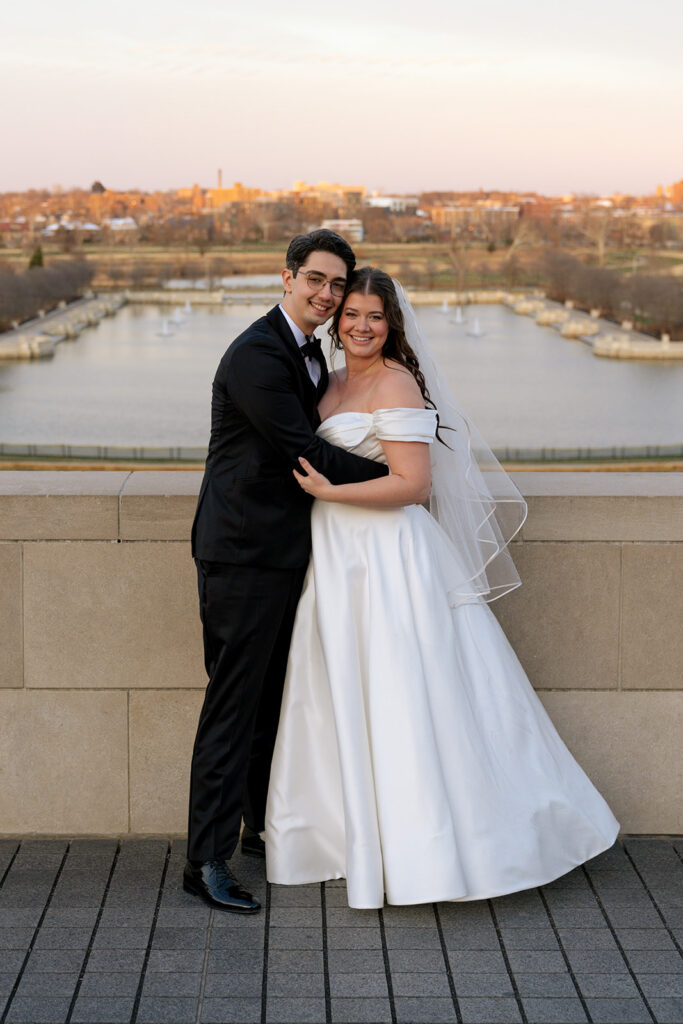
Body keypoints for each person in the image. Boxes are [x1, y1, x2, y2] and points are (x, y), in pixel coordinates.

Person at [265, 267, 619, 909]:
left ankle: (428, 848)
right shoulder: (334, 380)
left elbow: (414, 484)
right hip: (339, 555)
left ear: (392, 323)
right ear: (336, 319)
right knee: (343, 690)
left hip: (387, 556)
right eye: (351, 315)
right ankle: (351, 837)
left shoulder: (396, 381)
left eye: (375, 316)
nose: (361, 326)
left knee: (404, 692)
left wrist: (331, 491)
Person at [185, 233, 389, 914]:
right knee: (234, 706)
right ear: (288, 276)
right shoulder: (256, 354)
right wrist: (399, 477)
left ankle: (255, 830)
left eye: (338, 285)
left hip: (282, 554)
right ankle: (204, 861)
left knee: (268, 704)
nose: (328, 295)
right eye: (316, 280)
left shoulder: (307, 353)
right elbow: (302, 450)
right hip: (241, 554)